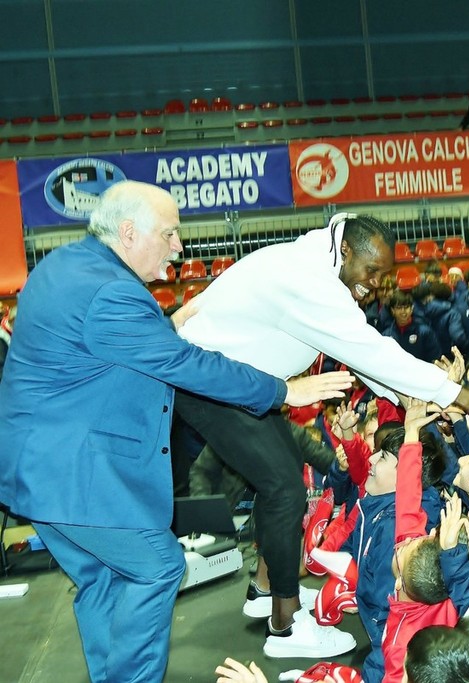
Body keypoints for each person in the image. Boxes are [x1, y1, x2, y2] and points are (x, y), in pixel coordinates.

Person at [0, 181, 351, 683]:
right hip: (74, 477)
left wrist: (164, 325)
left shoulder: (65, 265)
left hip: (39, 472)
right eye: (168, 234)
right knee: (159, 566)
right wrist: (282, 391)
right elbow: (187, 365)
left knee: (106, 580)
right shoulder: (113, 293)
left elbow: (99, 345)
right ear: (128, 233)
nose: (178, 246)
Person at [175, 212, 469, 660]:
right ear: (347, 250)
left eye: (383, 275)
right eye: (371, 270)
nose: (375, 284)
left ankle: (265, 588)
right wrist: (464, 397)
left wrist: (407, 393)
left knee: (282, 476)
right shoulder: (308, 279)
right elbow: (369, 351)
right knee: (284, 488)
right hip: (214, 381)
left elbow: (360, 355)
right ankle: (285, 625)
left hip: (239, 382)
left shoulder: (321, 267)